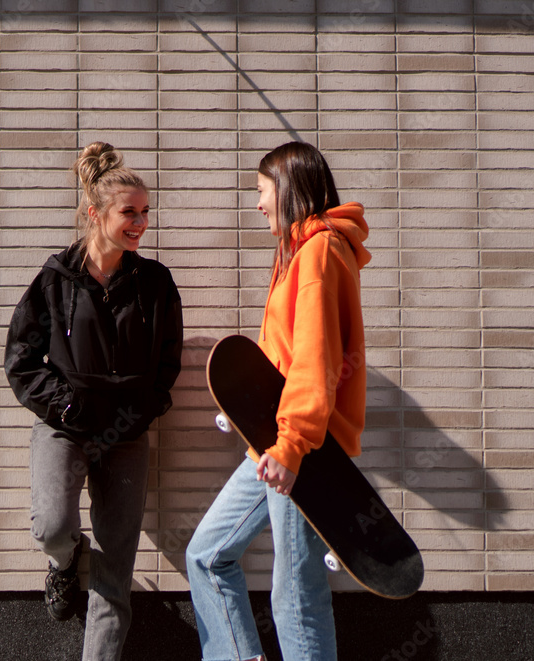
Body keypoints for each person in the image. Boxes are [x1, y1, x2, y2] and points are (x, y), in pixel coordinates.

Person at [186, 141, 371, 661]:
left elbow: (314, 360)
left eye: (262, 191)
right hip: (275, 442)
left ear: (288, 190)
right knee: (207, 555)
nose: (258, 203)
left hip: (304, 448)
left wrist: (291, 446)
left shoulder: (318, 253)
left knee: (296, 594)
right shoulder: (299, 252)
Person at [4, 142, 183, 661]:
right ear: (96, 213)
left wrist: (147, 407)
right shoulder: (56, 281)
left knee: (116, 564)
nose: (140, 222)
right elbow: (21, 359)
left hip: (126, 434)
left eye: (145, 212)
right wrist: (64, 406)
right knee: (54, 527)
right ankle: (63, 565)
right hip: (65, 425)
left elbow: (167, 361)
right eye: (130, 212)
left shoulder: (155, 283)